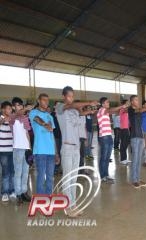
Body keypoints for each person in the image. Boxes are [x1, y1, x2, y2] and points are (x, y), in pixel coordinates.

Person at [56, 86, 98, 217]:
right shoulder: (59, 107)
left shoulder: (74, 110)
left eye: (72, 96)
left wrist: (92, 111)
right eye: (69, 96)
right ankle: (67, 207)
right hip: (67, 147)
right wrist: (88, 103)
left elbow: (81, 113)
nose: (71, 98)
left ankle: (73, 204)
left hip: (76, 147)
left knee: (73, 179)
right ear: (64, 96)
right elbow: (71, 106)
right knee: (67, 178)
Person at [29, 94, 58, 195]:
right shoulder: (33, 112)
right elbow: (36, 118)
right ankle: (41, 200)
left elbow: (52, 135)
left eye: (47, 100)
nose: (46, 102)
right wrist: (45, 125)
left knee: (50, 177)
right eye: (44, 100)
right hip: (40, 151)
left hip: (51, 151)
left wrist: (56, 153)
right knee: (41, 176)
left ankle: (48, 197)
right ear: (39, 101)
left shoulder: (50, 116)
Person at [97, 97, 126, 183]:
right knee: (104, 157)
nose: (108, 103)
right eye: (107, 102)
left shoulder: (106, 112)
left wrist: (123, 108)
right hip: (104, 137)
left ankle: (106, 175)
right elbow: (110, 110)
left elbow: (114, 111)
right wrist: (121, 106)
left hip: (109, 136)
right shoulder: (102, 110)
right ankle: (102, 176)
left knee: (107, 157)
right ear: (102, 104)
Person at [10, 97, 32, 205]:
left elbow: (27, 133)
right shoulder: (12, 117)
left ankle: (24, 192)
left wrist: (30, 148)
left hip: (26, 148)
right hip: (17, 148)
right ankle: (18, 193)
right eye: (17, 105)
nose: (19, 107)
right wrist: (26, 108)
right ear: (13, 107)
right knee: (17, 173)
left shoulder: (25, 118)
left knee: (26, 173)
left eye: (21, 105)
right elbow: (16, 115)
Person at [128, 95, 146, 188]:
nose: (137, 101)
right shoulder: (131, 109)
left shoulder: (139, 111)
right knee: (135, 159)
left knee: (139, 159)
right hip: (134, 137)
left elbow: (140, 125)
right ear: (132, 101)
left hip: (140, 136)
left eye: (137, 100)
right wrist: (144, 108)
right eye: (135, 100)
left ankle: (138, 178)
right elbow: (138, 110)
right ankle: (134, 180)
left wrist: (143, 137)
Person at [0, 101, 15, 202]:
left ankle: (12, 190)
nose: (10, 110)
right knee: (5, 172)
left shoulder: (12, 120)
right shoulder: (1, 118)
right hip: (3, 150)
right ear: (3, 109)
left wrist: (11, 121)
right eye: (8, 108)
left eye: (11, 109)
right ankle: (4, 192)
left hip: (12, 149)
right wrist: (4, 119)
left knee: (12, 172)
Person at [51, 101, 62, 175]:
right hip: (54, 136)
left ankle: (59, 167)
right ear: (54, 107)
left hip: (61, 136)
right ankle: (54, 168)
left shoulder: (62, 114)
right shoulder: (51, 115)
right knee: (55, 152)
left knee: (60, 152)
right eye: (57, 105)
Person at [119, 99, 131, 165]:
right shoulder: (122, 110)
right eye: (127, 103)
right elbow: (127, 110)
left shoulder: (126, 110)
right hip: (123, 129)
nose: (128, 104)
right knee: (123, 144)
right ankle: (122, 159)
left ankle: (125, 158)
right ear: (124, 104)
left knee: (126, 143)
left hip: (127, 129)